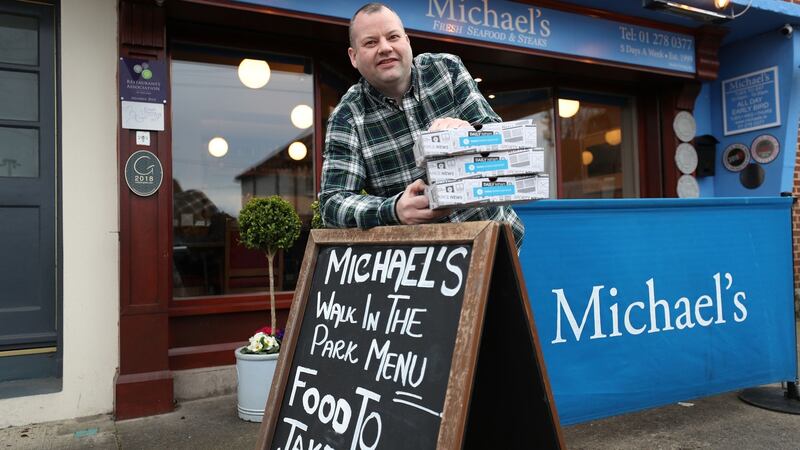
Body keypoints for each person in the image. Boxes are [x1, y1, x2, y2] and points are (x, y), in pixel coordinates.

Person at [319, 2, 525, 248]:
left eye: (393, 37)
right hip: (421, 265)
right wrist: (393, 209)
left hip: (494, 244)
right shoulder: (347, 116)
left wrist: (466, 132)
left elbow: (500, 140)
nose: (385, 48)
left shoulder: (446, 70)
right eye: (371, 42)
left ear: (407, 41)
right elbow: (332, 203)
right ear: (353, 57)